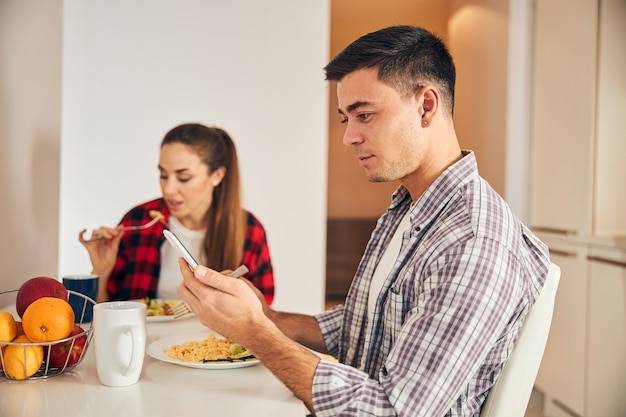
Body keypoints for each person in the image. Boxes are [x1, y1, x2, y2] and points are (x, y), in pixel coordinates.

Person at [176, 26, 551, 416]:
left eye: (365, 115)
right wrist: (268, 317)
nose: (349, 137)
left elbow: (390, 411)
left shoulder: (473, 244)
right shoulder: (412, 206)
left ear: (426, 106)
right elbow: (370, 324)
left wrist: (254, 332)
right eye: (346, 119)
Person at [79, 123, 274, 305]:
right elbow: (103, 311)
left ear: (217, 175)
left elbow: (262, 312)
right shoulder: (138, 220)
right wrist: (101, 272)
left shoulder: (249, 230)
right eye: (163, 175)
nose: (169, 189)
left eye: (183, 178)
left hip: (215, 341)